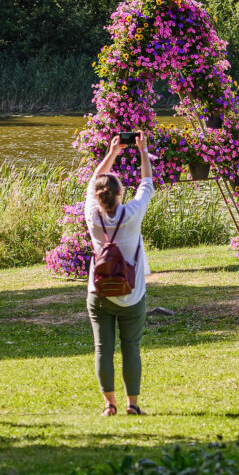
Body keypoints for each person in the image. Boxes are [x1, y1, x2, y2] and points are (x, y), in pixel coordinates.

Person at [85, 132, 154, 416]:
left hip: (99, 292)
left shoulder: (92, 215)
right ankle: (132, 405)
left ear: (99, 196)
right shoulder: (132, 213)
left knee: (103, 349)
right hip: (132, 293)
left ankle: (109, 405)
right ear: (119, 194)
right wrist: (142, 151)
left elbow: (93, 181)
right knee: (131, 348)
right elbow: (146, 183)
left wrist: (112, 152)